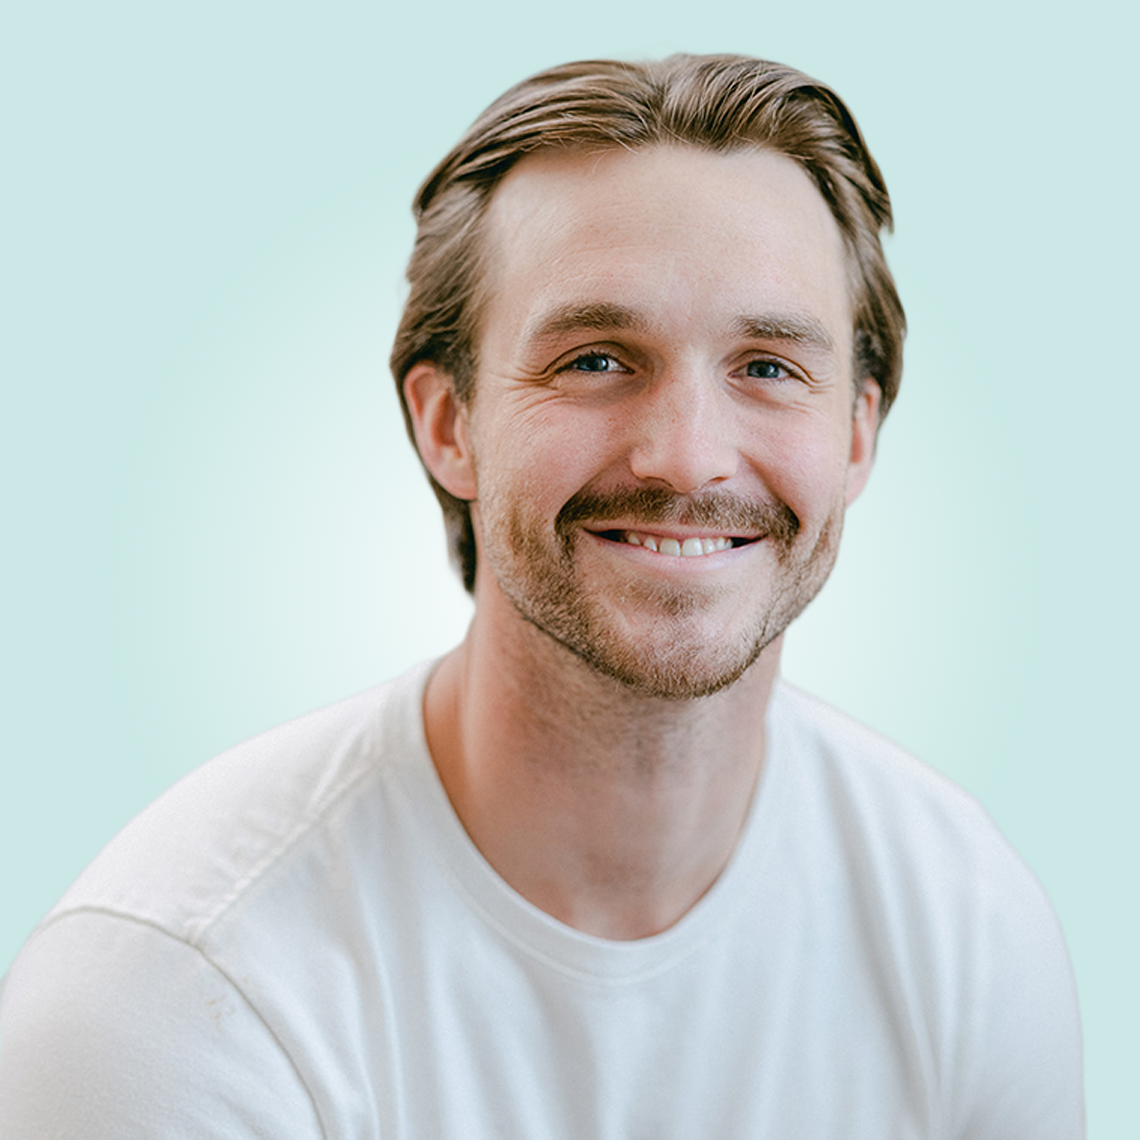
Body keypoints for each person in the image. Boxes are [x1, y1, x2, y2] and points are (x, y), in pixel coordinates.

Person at [0, 54, 1083, 1138]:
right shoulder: (175, 996)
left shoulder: (969, 931)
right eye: (597, 359)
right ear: (449, 425)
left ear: (857, 434)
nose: (688, 460)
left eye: (767, 367)